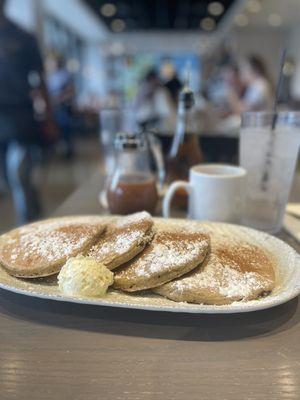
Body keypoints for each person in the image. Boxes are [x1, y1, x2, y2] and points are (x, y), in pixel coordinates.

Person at [0, 0, 53, 224]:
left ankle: (28, 226)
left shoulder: (23, 37)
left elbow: (41, 80)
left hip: (20, 116)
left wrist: (49, 117)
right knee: (9, 180)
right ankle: (33, 207)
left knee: (19, 174)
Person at [46, 53, 75, 159]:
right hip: (52, 108)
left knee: (65, 129)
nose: (52, 64)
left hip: (63, 107)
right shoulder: (49, 77)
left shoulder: (65, 75)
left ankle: (68, 151)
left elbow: (70, 91)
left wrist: (58, 99)